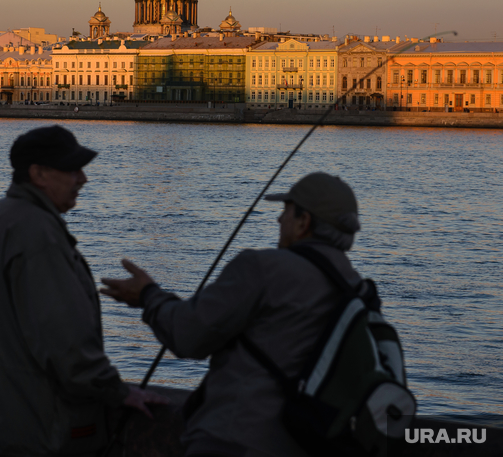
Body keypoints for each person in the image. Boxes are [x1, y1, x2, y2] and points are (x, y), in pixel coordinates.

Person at [0, 125, 166, 456]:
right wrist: (114, 391)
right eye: (72, 169)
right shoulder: (37, 233)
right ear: (38, 173)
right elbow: (63, 337)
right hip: (28, 428)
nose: (83, 179)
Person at [101, 172, 363, 457]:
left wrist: (148, 296)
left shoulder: (263, 268)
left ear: (304, 222)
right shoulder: (357, 289)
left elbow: (188, 335)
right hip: (309, 442)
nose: (279, 220)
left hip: (235, 442)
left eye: (285, 211)